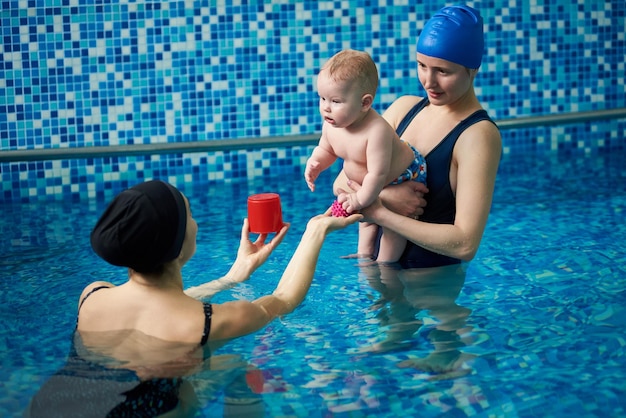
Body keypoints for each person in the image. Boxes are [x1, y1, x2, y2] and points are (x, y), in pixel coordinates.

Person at [26, 179, 361, 417]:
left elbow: (159, 306)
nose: (196, 222)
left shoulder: (93, 296)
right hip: (133, 411)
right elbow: (285, 298)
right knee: (234, 367)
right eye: (189, 215)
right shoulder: (213, 322)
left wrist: (232, 277)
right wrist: (317, 231)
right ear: (176, 244)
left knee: (204, 368)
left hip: (49, 406)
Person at [334, 4, 502, 269]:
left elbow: (466, 243)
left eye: (443, 71)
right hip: (378, 274)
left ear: (473, 70)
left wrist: (378, 211)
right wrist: (389, 198)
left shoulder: (477, 135)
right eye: (422, 65)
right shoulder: (404, 109)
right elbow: (343, 182)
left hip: (430, 288)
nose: (428, 81)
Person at [304, 49, 427, 263]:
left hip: (406, 173)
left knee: (392, 224)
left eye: (335, 101)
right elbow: (326, 149)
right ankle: (364, 254)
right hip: (369, 180)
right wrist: (316, 164)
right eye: (322, 98)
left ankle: (386, 263)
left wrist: (359, 199)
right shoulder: (331, 125)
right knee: (366, 219)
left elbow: (377, 174)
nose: (326, 107)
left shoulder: (376, 131)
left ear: (364, 103)